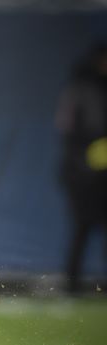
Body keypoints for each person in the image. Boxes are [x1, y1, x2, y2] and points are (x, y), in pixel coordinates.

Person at [57, 44, 107, 294]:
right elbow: (77, 132)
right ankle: (72, 284)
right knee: (82, 227)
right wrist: (87, 161)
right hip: (82, 174)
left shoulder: (87, 87)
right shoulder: (84, 88)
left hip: (91, 172)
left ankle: (75, 284)